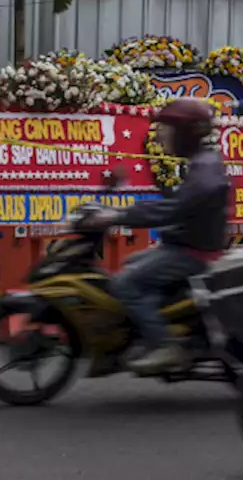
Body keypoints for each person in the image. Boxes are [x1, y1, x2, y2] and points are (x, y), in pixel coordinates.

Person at [80, 97, 229, 376]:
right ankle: (144, 333)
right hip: (185, 243)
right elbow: (175, 204)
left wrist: (117, 216)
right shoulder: (201, 162)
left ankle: (165, 345)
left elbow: (173, 208)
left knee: (126, 284)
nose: (161, 136)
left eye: (168, 130)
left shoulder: (205, 170)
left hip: (193, 252)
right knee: (130, 264)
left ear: (185, 133)